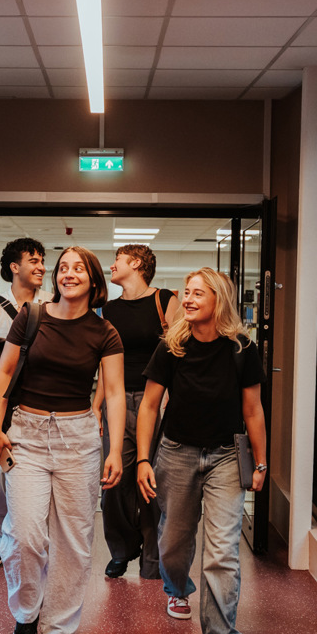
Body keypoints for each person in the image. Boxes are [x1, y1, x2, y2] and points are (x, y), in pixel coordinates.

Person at [0, 247, 125, 634]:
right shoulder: (32, 316)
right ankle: (26, 614)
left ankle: (60, 624)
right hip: (26, 433)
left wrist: (115, 449)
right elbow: (5, 371)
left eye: (78, 268)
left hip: (78, 438)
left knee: (74, 538)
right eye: (62, 268)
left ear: (93, 280)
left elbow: (114, 393)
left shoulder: (105, 333)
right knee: (26, 533)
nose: (68, 273)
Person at [136, 267, 267, 634]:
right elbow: (149, 406)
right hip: (177, 453)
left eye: (197, 293)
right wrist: (143, 459)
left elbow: (253, 410)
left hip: (227, 456)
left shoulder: (242, 348)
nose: (188, 299)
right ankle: (177, 587)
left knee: (222, 550)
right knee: (173, 545)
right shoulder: (171, 347)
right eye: (187, 293)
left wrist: (261, 463)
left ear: (219, 300)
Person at [93, 243, 182, 579]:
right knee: (113, 482)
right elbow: (106, 364)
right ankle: (122, 548)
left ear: (136, 263)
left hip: (155, 403)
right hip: (117, 403)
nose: (111, 265)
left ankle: (153, 557)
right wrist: (96, 406)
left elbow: (178, 354)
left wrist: (172, 402)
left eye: (117, 259)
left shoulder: (165, 301)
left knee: (153, 482)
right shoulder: (109, 310)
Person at [0, 237, 50, 568]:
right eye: (33, 260)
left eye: (42, 260)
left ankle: (31, 537)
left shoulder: (53, 305)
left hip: (40, 401)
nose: (41, 267)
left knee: (36, 473)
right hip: (0, 401)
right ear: (15, 267)